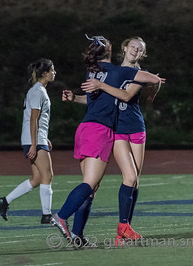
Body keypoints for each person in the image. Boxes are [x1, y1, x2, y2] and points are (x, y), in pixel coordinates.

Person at [50, 34, 164, 246]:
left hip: (89, 128)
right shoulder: (120, 72)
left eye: (140, 49)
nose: (136, 51)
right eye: (133, 46)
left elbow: (99, 100)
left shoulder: (95, 72)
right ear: (117, 50)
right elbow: (146, 83)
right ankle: (63, 216)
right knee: (93, 184)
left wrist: (75, 97)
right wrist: (153, 85)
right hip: (103, 130)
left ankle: (78, 235)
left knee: (101, 186)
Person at [0, 58, 55, 224]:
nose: (54, 73)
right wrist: (36, 144)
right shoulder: (38, 91)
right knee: (48, 175)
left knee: (37, 178)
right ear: (44, 73)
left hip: (35, 137)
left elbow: (37, 119)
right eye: (52, 70)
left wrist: (44, 138)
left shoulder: (38, 90)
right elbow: (33, 119)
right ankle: (46, 215)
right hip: (33, 138)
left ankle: (5, 201)